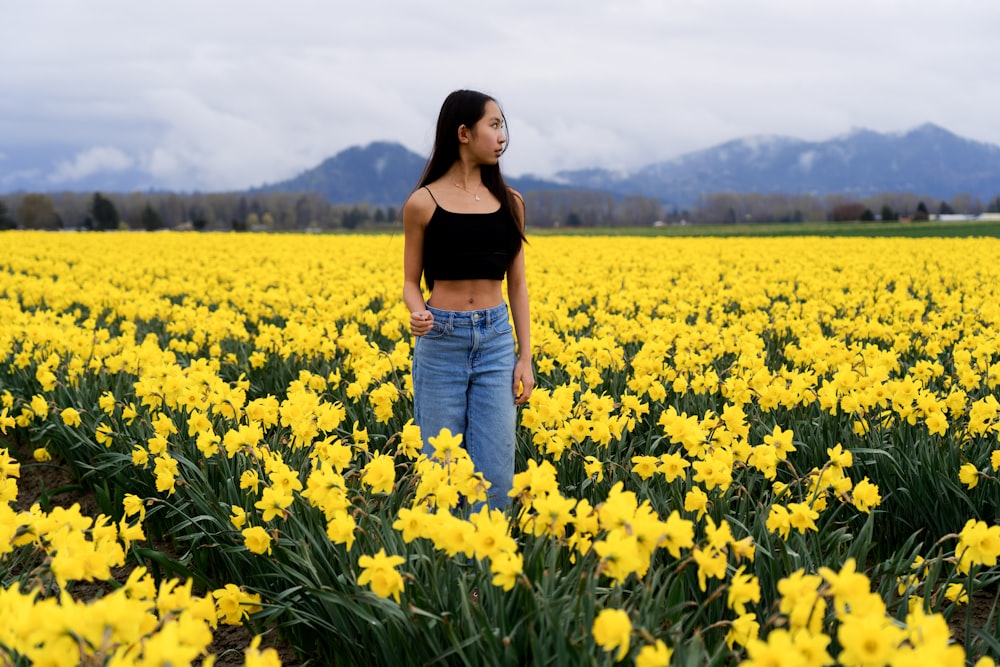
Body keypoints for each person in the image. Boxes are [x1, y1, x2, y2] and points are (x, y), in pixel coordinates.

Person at [402, 89, 533, 512]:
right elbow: (409, 282)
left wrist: (525, 357)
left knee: (495, 475)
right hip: (441, 342)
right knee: (442, 473)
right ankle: (448, 573)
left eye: (502, 126)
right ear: (463, 132)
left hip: (495, 342)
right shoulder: (422, 203)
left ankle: (487, 573)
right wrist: (417, 311)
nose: (502, 136)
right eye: (493, 125)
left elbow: (517, 286)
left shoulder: (511, 203)